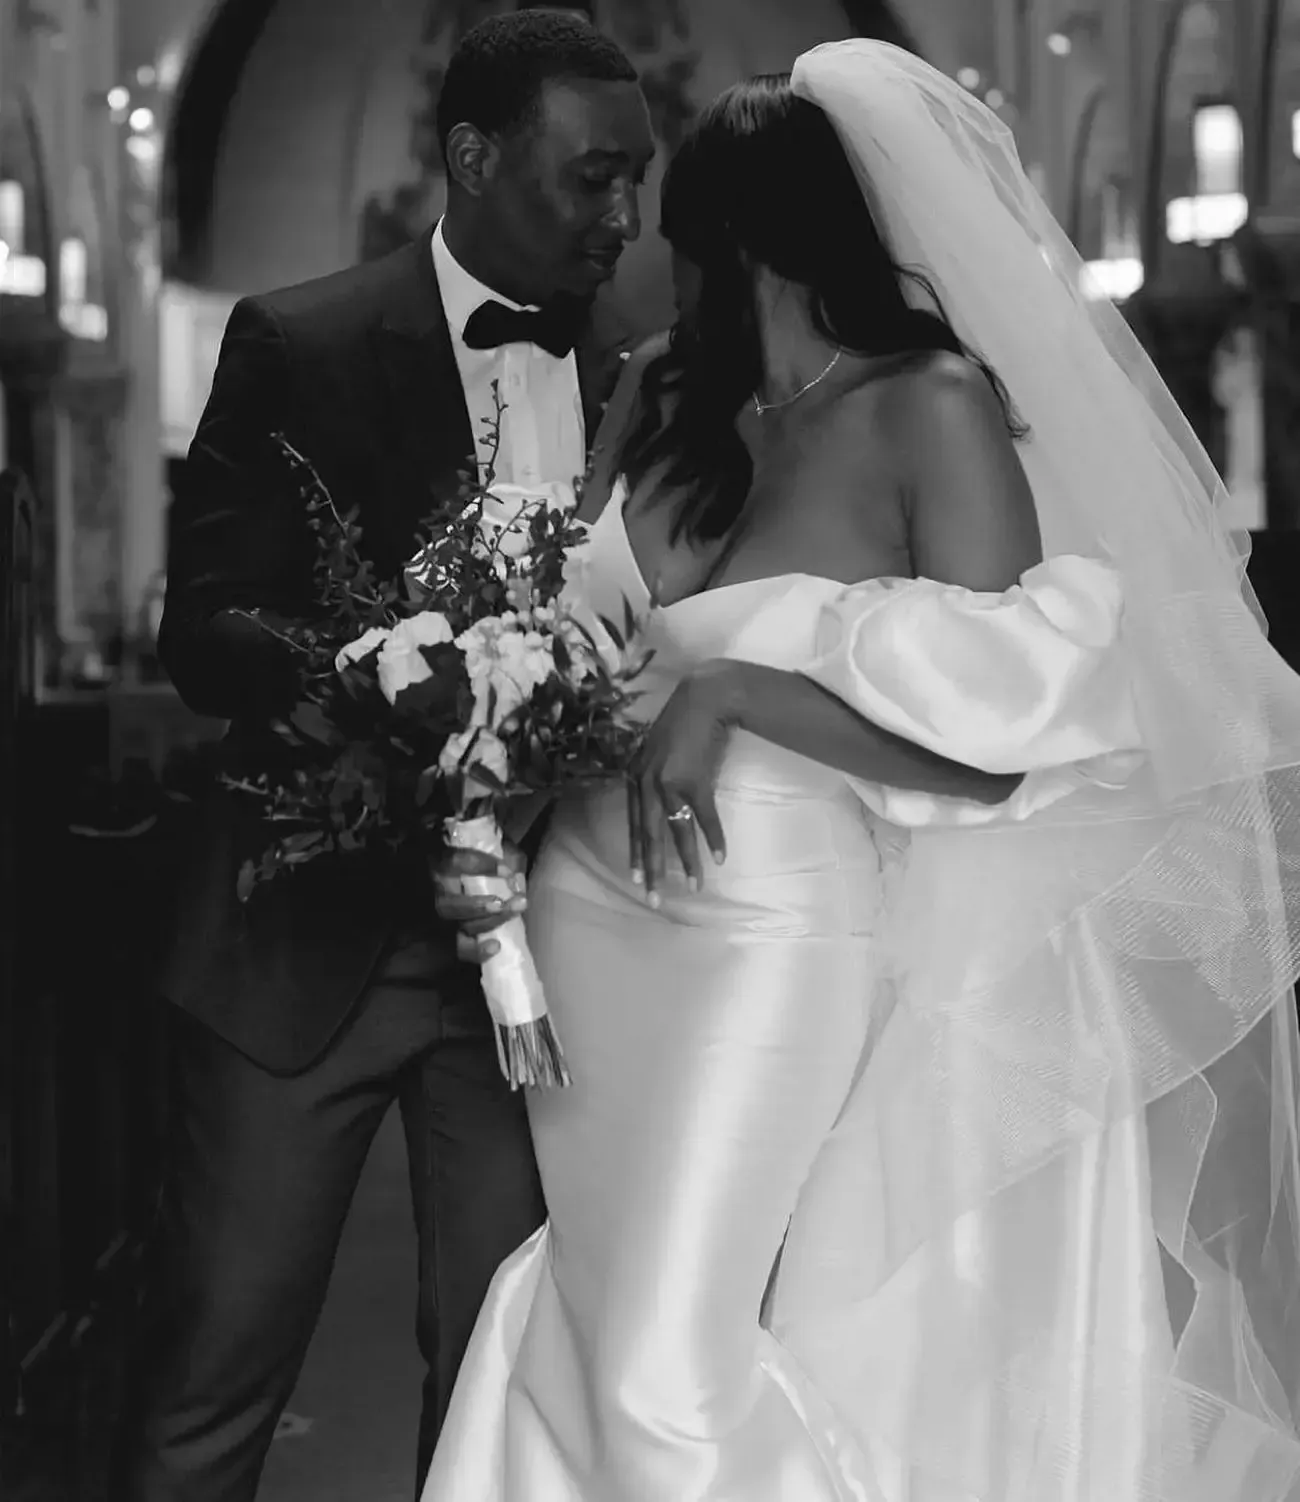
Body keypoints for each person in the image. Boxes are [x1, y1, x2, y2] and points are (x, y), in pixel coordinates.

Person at [423, 42, 1300, 1502]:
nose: (648, 255)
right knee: (589, 1299)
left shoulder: (927, 407)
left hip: (771, 929)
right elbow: (564, 644)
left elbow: (1002, 758)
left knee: (659, 1358)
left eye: (677, 227)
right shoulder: (663, 400)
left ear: (751, 237)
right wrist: (483, 781)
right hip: (585, 920)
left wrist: (748, 692)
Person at [109, 13, 654, 1500]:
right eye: (592, 176)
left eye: (637, 180)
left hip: (536, 965)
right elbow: (202, 626)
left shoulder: (641, 373)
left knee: (502, 1383)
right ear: (473, 158)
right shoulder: (301, 338)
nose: (623, 215)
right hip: (302, 945)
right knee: (215, 1370)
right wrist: (387, 676)